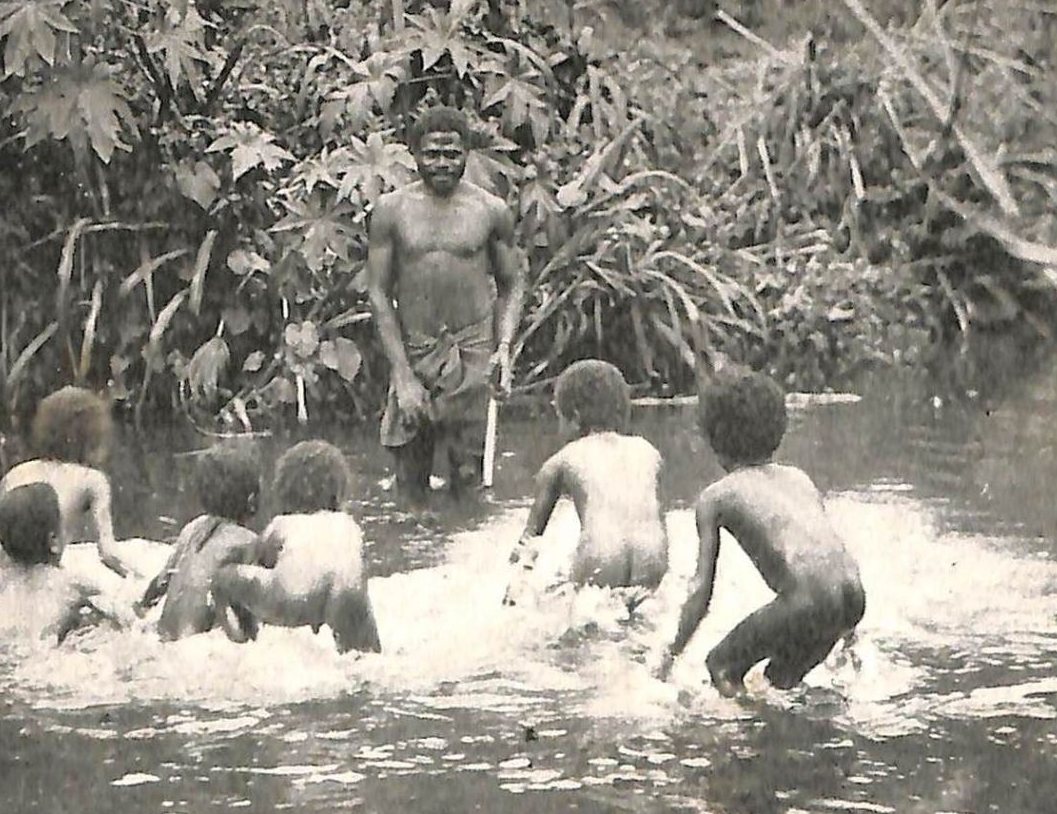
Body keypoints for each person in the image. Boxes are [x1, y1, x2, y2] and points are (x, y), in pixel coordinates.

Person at [657, 368, 865, 696]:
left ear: (711, 437)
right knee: (778, 683)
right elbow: (830, 553)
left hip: (806, 602)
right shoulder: (798, 478)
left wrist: (669, 657)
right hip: (853, 596)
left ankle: (746, 740)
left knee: (720, 666)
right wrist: (849, 635)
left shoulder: (716, 497)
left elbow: (701, 592)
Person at [367, 105, 525, 500]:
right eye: (431, 153)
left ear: (467, 154)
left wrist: (503, 350)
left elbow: (512, 283)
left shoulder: (490, 210)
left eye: (451, 154)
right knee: (408, 483)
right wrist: (401, 373)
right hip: (415, 352)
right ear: (415, 153)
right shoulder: (391, 211)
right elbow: (378, 292)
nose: (441, 163)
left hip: (472, 355)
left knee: (470, 482)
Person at [0, 387, 132, 607]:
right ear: (92, 434)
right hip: (39, 565)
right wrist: (139, 578)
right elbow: (108, 553)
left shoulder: (17, 472)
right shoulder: (92, 480)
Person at [509, 359, 668, 595]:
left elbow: (529, 545)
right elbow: (659, 519)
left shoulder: (561, 461)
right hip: (652, 557)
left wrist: (511, 594)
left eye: (559, 418)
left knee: (573, 611)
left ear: (574, 417)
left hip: (599, 558)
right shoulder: (649, 452)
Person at [212, 440, 381, 653]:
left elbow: (258, 559)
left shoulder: (282, 525)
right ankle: (370, 653)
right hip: (346, 595)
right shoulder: (349, 526)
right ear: (339, 491)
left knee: (223, 578)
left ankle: (243, 640)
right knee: (361, 646)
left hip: (292, 597)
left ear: (285, 489)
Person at [0, 482, 134, 644]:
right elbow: (126, 620)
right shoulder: (74, 585)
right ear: (53, 541)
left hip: (6, 650)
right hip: (49, 652)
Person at [137, 443, 262, 641]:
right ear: (252, 499)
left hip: (163, 637)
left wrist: (140, 611)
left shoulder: (192, 529)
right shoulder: (248, 542)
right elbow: (256, 611)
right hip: (197, 650)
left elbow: (159, 584)